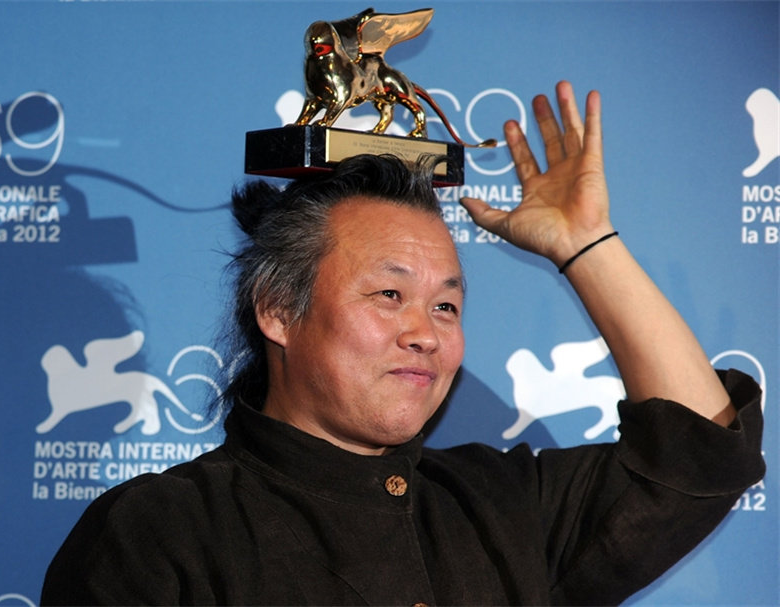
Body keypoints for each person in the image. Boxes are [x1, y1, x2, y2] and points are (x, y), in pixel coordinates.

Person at [40, 82, 765, 605]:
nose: (424, 333)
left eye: (446, 305)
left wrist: (587, 246)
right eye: (389, 295)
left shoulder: (502, 506)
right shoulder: (157, 534)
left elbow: (698, 453)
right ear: (278, 310)